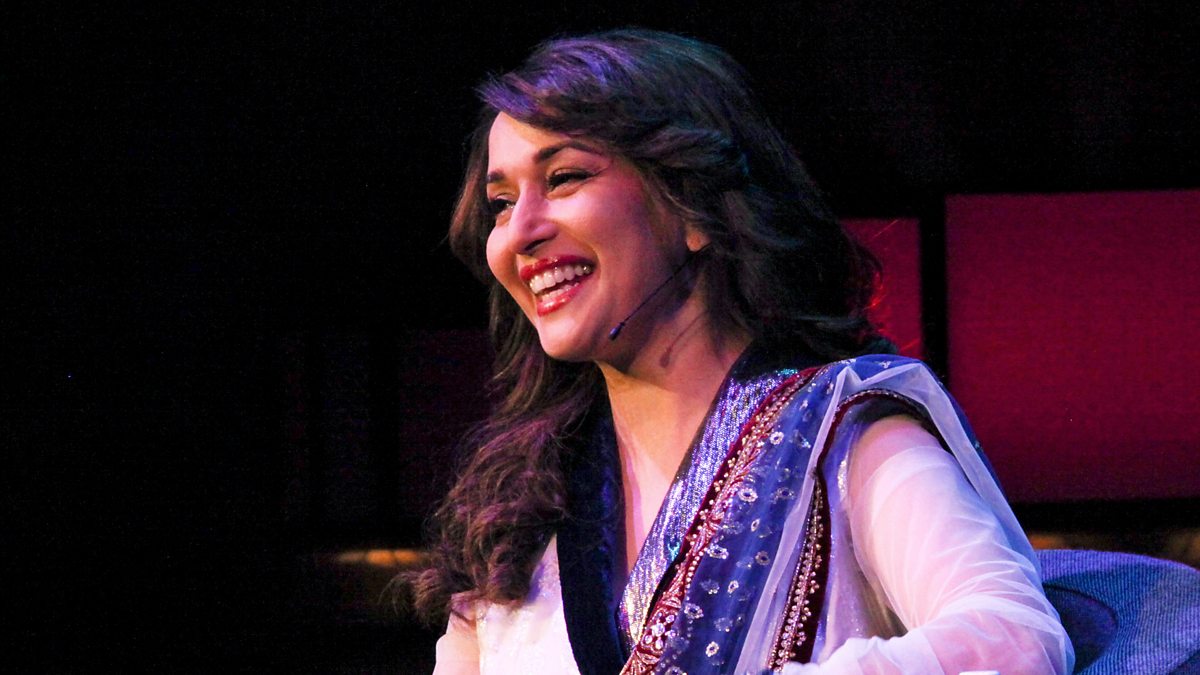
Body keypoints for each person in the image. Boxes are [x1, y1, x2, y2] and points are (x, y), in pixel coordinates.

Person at [408, 29, 1074, 674]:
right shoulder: (520, 519)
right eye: (501, 202)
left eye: (565, 177)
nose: (519, 232)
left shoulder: (844, 443)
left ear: (693, 205)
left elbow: (1014, 640)